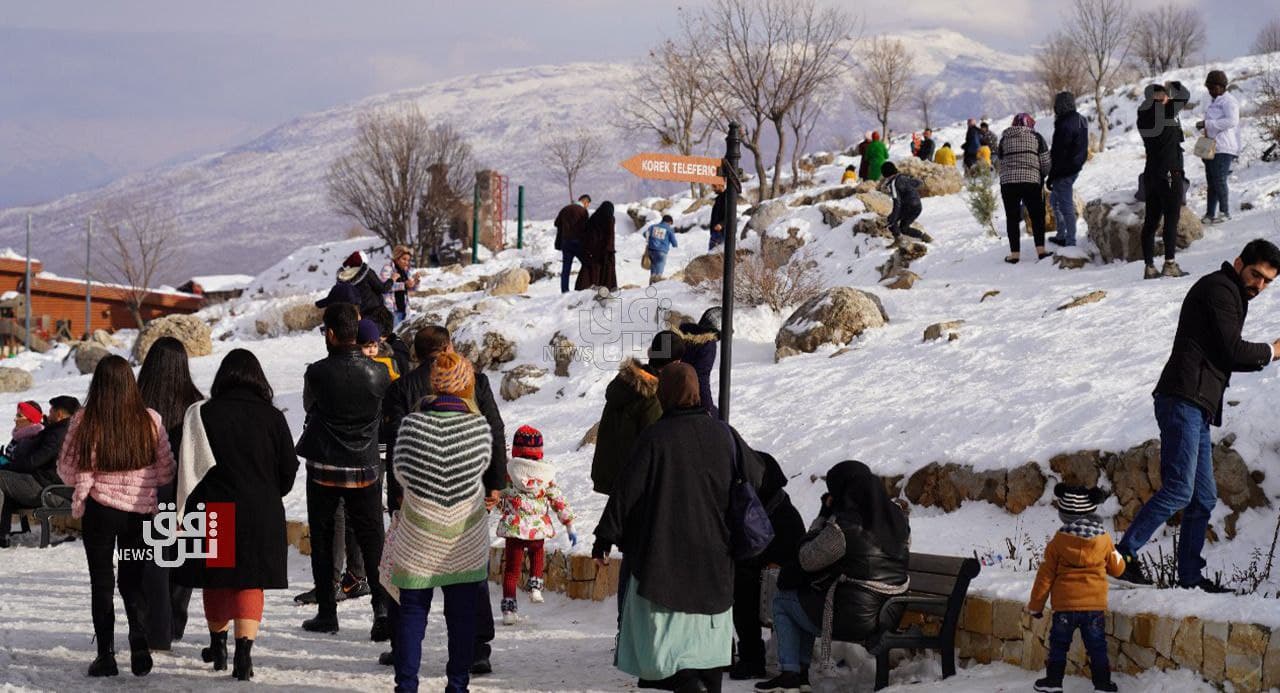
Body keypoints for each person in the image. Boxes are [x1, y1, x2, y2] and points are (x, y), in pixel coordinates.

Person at [1115, 240, 1280, 591]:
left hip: (1197, 405)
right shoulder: (1220, 289)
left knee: (1202, 497)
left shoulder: (1232, 294)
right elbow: (1233, 351)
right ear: (1238, 263)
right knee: (1178, 489)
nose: (1259, 286)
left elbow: (1225, 354)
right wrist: (1273, 350)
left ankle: (1189, 578)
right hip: (1182, 399)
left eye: (1267, 281)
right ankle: (1120, 558)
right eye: (1255, 275)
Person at [593, 363, 736, 692]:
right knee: (707, 641)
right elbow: (757, 477)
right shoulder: (723, 434)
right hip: (715, 554)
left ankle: (686, 682)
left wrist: (604, 537)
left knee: (665, 640)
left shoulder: (656, 437)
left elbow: (626, 491)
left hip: (666, 552)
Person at [380, 324, 507, 674]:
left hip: (414, 498)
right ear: (449, 346)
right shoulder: (476, 381)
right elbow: (495, 430)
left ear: (417, 354)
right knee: (469, 574)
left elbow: (391, 445)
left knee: (406, 576)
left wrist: (394, 491)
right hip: (467, 495)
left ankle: (401, 647)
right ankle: (478, 648)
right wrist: (496, 482)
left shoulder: (401, 388)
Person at [174, 349, 299, 682]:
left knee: (217, 580)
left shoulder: (204, 414)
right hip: (261, 511)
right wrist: (271, 492)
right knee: (249, 581)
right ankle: (244, 654)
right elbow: (288, 469)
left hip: (218, 511)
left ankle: (218, 647)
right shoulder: (273, 417)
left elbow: (190, 469)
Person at [57, 355, 175, 677]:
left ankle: (106, 655)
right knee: (133, 579)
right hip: (139, 514)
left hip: (99, 512)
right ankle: (138, 639)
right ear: (130, 384)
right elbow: (166, 471)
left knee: (102, 582)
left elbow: (67, 471)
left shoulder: (84, 420)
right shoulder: (150, 420)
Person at [759, 460, 910, 693]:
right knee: (805, 597)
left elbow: (806, 559)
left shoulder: (844, 527)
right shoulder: (899, 521)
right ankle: (798, 674)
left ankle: (792, 673)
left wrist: (823, 516)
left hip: (853, 618)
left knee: (784, 599)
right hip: (889, 612)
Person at [294, 303, 392, 639]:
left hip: (324, 464)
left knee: (323, 539)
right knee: (372, 539)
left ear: (332, 334)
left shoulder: (317, 373)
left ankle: (327, 612)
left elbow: (310, 406)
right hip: (366, 464)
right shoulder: (379, 372)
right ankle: (381, 612)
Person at [136, 336, 205, 649]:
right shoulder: (197, 404)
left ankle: (150, 621)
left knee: (145, 559)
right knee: (181, 560)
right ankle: (175, 621)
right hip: (185, 494)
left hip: (143, 493)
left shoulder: (136, 403)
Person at [1026, 484, 1124, 693]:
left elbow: (1045, 575)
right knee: (1097, 647)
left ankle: (1053, 682)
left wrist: (1036, 605)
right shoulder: (1104, 539)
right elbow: (1118, 568)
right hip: (1093, 607)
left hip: (1064, 608)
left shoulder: (1058, 541)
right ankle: (1102, 684)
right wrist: (1118, 554)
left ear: (1064, 515)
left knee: (1059, 645)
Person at [729, 451, 806, 681]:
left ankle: (752, 659)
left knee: (743, 584)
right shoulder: (765, 506)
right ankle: (749, 657)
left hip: (781, 583)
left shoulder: (781, 513)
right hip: (764, 580)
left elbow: (783, 555)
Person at [496, 425, 576, 625]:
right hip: (537, 529)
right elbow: (557, 499)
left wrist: (499, 505)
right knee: (537, 553)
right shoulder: (545, 477)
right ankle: (535, 587)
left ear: (516, 450)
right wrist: (568, 522)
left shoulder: (508, 474)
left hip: (515, 529)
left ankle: (509, 609)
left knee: (512, 571)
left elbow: (497, 494)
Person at [0, 396, 77, 547]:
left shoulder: (59, 434)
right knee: (6, 485)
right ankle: (2, 534)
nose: (47, 413)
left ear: (60, 414)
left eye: (51, 410)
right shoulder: (60, 430)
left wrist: (8, 466)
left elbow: (34, 461)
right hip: (45, 484)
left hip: (49, 490)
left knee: (3, 477)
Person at [1137, 81, 1192, 280]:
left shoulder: (1142, 117)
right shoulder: (1166, 111)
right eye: (1164, 94)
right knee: (1171, 218)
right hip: (1170, 173)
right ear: (1158, 98)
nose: (1168, 97)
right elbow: (1185, 94)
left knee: (1150, 221)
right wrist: (1176, 85)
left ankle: (1149, 266)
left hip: (1150, 174)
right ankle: (1169, 263)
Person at [997, 113, 1052, 264]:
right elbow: (1046, 163)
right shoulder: (1036, 138)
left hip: (1008, 183)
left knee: (1012, 218)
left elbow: (1000, 161)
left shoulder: (1004, 139)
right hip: (1031, 181)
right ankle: (1041, 251)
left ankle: (1014, 255)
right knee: (1036, 215)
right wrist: (1043, 175)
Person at [1196, 70, 1240, 225]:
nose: (1210, 91)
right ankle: (1209, 214)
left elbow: (1232, 121)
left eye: (1213, 88)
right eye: (1208, 88)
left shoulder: (1229, 101)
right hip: (1211, 146)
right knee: (1211, 182)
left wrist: (1208, 124)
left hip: (1224, 148)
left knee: (1219, 180)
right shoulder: (1214, 102)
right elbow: (1213, 123)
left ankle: (1225, 211)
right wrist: (1202, 126)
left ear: (1222, 86)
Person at [1047, 91, 1089, 248]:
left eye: (1056, 105)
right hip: (1075, 166)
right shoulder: (1081, 119)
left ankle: (1070, 241)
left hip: (1065, 169)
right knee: (1055, 201)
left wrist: (1052, 176)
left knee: (1065, 206)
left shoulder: (1064, 124)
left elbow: (1058, 153)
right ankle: (1061, 234)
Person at [676, 308, 722, 418]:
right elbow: (701, 378)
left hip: (671, 394)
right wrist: (708, 408)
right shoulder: (708, 344)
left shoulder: (682, 337)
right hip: (691, 400)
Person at [880, 162, 925, 247]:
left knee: (891, 220)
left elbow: (897, 203)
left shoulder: (893, 184)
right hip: (918, 206)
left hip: (908, 206)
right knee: (904, 228)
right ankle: (924, 236)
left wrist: (893, 219)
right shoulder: (904, 177)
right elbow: (919, 183)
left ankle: (899, 240)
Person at [576, 201, 618, 292]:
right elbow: (610, 235)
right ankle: (608, 287)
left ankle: (586, 286)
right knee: (606, 269)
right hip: (605, 249)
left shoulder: (594, 217)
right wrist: (610, 249)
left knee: (591, 269)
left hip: (592, 248)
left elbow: (587, 233)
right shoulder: (610, 218)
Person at [336, 251, 394, 316]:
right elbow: (383, 289)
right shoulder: (367, 273)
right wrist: (392, 279)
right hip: (375, 312)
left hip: (358, 316)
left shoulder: (342, 279)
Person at [555, 195, 591, 293]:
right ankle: (584, 285)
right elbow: (586, 228)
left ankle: (564, 290)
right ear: (585, 202)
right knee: (587, 263)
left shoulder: (565, 209)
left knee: (566, 269)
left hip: (565, 242)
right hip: (578, 243)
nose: (587, 207)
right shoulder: (583, 211)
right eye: (588, 205)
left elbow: (556, 223)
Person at [380, 245, 419, 326]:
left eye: (408, 260)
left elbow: (409, 289)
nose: (406, 262)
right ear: (397, 258)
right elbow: (383, 286)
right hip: (392, 310)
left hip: (404, 309)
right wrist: (404, 285)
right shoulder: (387, 268)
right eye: (404, 259)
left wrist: (415, 283)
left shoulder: (405, 271)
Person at [0, 401, 42, 465]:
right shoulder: (19, 435)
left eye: (19, 416)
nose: (15, 419)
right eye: (16, 415)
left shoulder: (32, 439)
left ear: (31, 419)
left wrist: (2, 462)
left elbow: (21, 466)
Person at [642, 214, 679, 285]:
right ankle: (657, 284)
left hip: (651, 250)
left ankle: (651, 285)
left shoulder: (652, 227)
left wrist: (651, 239)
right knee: (659, 270)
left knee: (653, 267)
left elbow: (644, 234)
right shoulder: (669, 229)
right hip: (662, 251)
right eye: (671, 224)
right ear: (669, 222)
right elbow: (674, 242)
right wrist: (675, 245)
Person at [709, 183, 729, 251]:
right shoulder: (718, 198)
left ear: (721, 185)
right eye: (712, 186)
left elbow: (730, 215)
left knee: (714, 258)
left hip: (722, 232)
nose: (713, 189)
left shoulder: (728, 197)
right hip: (716, 232)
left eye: (715, 186)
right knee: (711, 256)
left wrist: (721, 224)